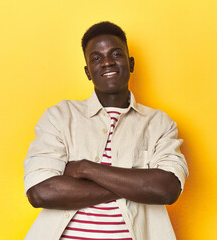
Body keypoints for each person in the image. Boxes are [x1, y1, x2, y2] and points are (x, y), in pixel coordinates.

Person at [23, 21, 189, 240]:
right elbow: (41, 192)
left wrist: (85, 169)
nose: (107, 62)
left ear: (130, 63)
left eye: (116, 54)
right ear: (88, 71)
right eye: (96, 58)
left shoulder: (159, 123)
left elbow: (167, 189)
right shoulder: (60, 116)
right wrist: (137, 184)